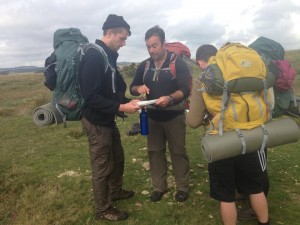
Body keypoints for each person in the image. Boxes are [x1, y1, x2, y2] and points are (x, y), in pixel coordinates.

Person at [186, 44, 270, 225]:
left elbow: (193, 122)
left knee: (226, 195)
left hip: (221, 141)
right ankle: (264, 222)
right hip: (250, 136)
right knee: (255, 187)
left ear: (201, 61)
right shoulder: (240, 74)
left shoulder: (203, 79)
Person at [79, 14, 140, 221]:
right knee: (102, 166)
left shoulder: (107, 56)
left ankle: (115, 192)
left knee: (118, 158)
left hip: (107, 119)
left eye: (125, 40)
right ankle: (103, 209)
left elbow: (110, 91)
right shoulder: (95, 56)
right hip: (96, 122)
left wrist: (128, 102)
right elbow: (91, 97)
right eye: (121, 38)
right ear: (109, 33)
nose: (123, 44)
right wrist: (120, 106)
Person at [130, 25, 192, 202]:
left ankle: (182, 187)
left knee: (178, 151)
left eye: (155, 45)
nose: (151, 50)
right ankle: (159, 187)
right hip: (152, 117)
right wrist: (138, 88)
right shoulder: (145, 65)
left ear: (163, 43)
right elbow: (132, 87)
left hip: (174, 116)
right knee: (155, 151)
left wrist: (170, 98)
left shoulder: (177, 63)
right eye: (148, 46)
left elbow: (185, 90)